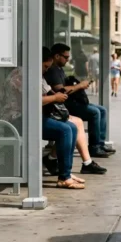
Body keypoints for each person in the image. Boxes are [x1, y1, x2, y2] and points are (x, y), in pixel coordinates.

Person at [45, 43, 114, 161]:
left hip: (69, 102)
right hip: (63, 106)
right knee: (94, 112)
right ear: (57, 56)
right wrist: (79, 86)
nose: (68, 60)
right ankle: (94, 147)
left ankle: (100, 143)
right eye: (65, 57)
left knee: (102, 110)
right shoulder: (52, 70)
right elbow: (61, 91)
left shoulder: (59, 69)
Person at [40, 47, 85, 189]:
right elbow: (32, 100)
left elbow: (49, 91)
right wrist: (54, 97)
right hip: (21, 120)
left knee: (71, 127)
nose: (46, 70)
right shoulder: (22, 76)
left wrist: (57, 95)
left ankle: (67, 172)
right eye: (45, 66)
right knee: (65, 130)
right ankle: (64, 177)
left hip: (36, 117)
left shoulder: (38, 77)